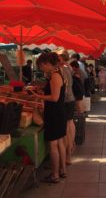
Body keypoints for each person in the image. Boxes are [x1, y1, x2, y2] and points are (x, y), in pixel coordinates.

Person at [31, 53, 67, 183]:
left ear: (47, 63)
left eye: (41, 66)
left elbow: (54, 97)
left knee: (53, 144)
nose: (41, 69)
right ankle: (62, 170)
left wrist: (38, 96)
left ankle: (55, 174)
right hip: (58, 112)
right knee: (60, 142)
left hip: (54, 113)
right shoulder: (56, 74)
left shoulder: (55, 76)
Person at [58, 52, 75, 166]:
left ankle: (67, 154)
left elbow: (62, 89)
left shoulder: (61, 69)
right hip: (71, 99)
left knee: (66, 129)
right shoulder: (68, 67)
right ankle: (70, 149)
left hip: (65, 100)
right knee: (70, 124)